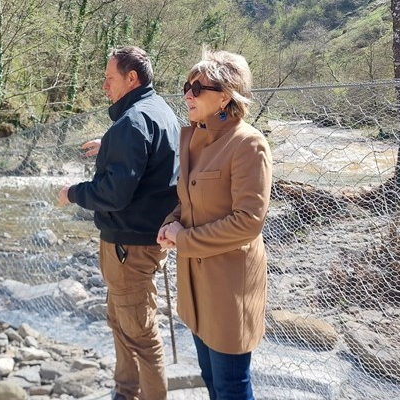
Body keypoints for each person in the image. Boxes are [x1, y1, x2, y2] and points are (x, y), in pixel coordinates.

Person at [57, 45, 180, 400]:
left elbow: (113, 194)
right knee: (120, 321)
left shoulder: (133, 122)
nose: (104, 86)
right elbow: (150, 157)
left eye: (110, 78)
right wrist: (110, 144)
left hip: (129, 246)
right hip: (144, 239)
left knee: (141, 335)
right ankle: (125, 391)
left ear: (132, 78)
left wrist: (73, 193)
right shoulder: (159, 110)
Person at [157, 47, 272, 400]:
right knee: (210, 378)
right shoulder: (193, 138)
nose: (188, 95)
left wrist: (183, 238)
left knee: (231, 388)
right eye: (187, 86)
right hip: (195, 285)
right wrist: (170, 223)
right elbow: (188, 198)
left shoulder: (249, 144)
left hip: (228, 288)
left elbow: (248, 223)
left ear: (225, 97)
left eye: (198, 88)